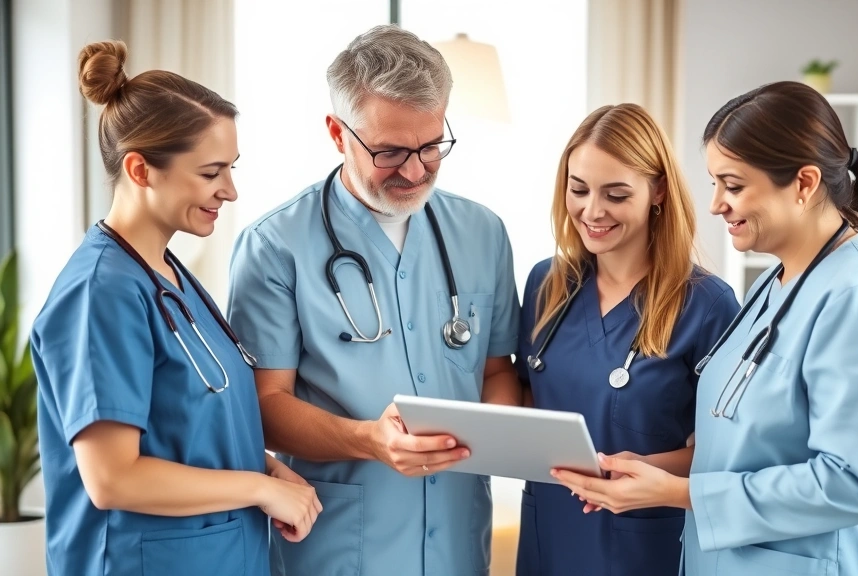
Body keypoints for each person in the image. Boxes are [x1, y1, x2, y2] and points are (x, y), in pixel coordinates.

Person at [552, 81, 858, 575]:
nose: (715, 204)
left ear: (804, 183)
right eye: (714, 184)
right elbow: (739, 450)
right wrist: (638, 473)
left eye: (733, 185)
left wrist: (675, 492)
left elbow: (851, 484)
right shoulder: (773, 287)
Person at [225, 25, 520, 576]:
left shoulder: (483, 232)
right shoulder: (275, 247)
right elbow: (264, 405)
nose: (414, 170)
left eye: (431, 146)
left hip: (458, 538)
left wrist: (497, 437)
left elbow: (496, 370)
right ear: (337, 133)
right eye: (389, 152)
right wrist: (369, 441)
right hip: (340, 545)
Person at [30, 40, 322, 576]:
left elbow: (186, 423)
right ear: (141, 170)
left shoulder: (166, 274)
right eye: (211, 173)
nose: (230, 191)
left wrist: (268, 468)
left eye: (231, 169)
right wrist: (257, 487)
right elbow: (112, 478)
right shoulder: (102, 292)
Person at [513, 103, 740, 576]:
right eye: (579, 190)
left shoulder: (706, 304)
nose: (592, 211)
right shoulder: (547, 284)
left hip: (641, 541)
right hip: (549, 531)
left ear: (658, 190)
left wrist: (640, 469)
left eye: (615, 195)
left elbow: (728, 453)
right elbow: (527, 399)